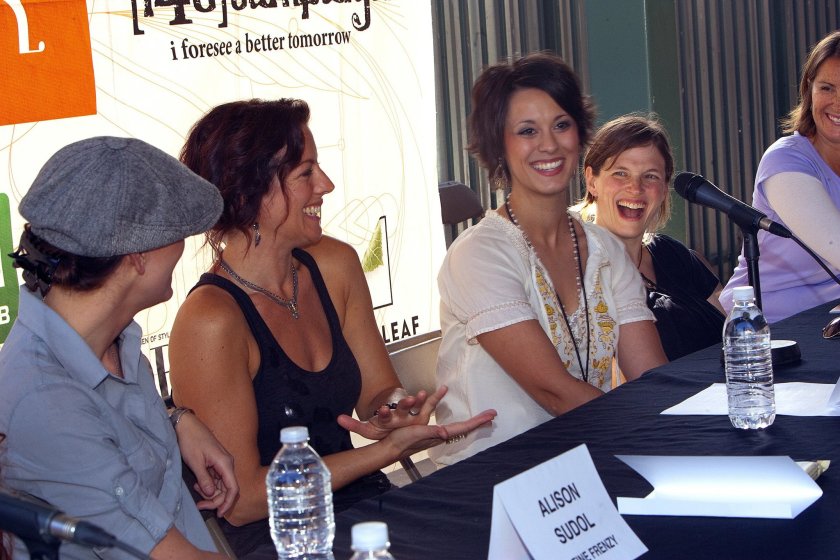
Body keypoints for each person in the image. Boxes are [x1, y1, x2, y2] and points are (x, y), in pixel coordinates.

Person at [169, 98, 496, 557]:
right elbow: (241, 499)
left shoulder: (335, 264)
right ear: (250, 193)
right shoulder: (211, 320)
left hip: (366, 510)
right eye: (305, 173)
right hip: (281, 538)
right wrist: (384, 451)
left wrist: (396, 410)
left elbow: (379, 390)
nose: (326, 184)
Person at [0, 137, 238, 559]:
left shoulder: (114, 339)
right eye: (177, 234)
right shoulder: (45, 401)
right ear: (138, 257)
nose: (183, 249)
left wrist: (177, 419)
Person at [430, 53, 668, 466]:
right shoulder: (479, 253)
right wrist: (653, 437)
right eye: (527, 131)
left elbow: (651, 376)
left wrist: (687, 427)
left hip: (591, 454)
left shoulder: (606, 250)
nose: (549, 144)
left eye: (561, 125)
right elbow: (554, 392)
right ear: (497, 147)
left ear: (579, 135)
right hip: (492, 476)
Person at [574, 115, 726, 361]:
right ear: (592, 181)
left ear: (665, 188)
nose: (636, 187)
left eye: (651, 176)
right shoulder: (581, 269)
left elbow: (734, 338)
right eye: (621, 173)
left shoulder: (672, 253)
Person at [721, 31, 840, 322]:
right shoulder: (786, 159)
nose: (837, 103)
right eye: (827, 88)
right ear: (808, 90)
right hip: (765, 334)